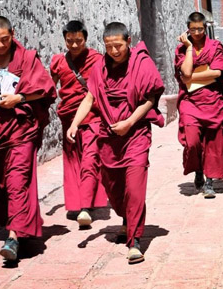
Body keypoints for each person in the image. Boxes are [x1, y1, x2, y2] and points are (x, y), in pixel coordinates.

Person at [67, 22, 164, 264]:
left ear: (128, 41)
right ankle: (126, 218)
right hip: (109, 136)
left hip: (135, 134)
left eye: (118, 45)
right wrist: (74, 124)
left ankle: (135, 241)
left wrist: (129, 122)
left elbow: (151, 98)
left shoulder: (141, 63)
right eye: (109, 47)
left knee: (134, 188)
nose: (114, 51)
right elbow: (90, 97)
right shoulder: (100, 67)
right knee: (114, 187)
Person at [0, 16, 57, 262]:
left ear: (13, 34)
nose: (1, 45)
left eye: (5, 39)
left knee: (18, 179)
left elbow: (45, 89)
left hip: (21, 128)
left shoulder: (27, 59)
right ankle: (22, 223)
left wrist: (19, 99)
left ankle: (14, 237)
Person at [49, 21, 108, 227]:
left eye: (78, 41)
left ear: (86, 39)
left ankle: (85, 206)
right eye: (69, 41)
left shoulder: (97, 59)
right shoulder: (58, 61)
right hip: (68, 116)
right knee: (73, 161)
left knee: (90, 159)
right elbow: (50, 87)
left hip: (93, 116)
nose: (74, 46)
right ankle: (77, 203)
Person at [174, 12, 223, 199]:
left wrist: (189, 78)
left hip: (213, 100)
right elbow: (186, 70)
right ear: (187, 29)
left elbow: (218, 72)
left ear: (205, 28)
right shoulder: (181, 49)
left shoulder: (215, 46)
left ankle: (210, 182)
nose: (196, 33)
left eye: (200, 29)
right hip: (190, 101)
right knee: (192, 141)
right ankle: (197, 169)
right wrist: (189, 48)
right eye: (193, 29)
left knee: (213, 141)